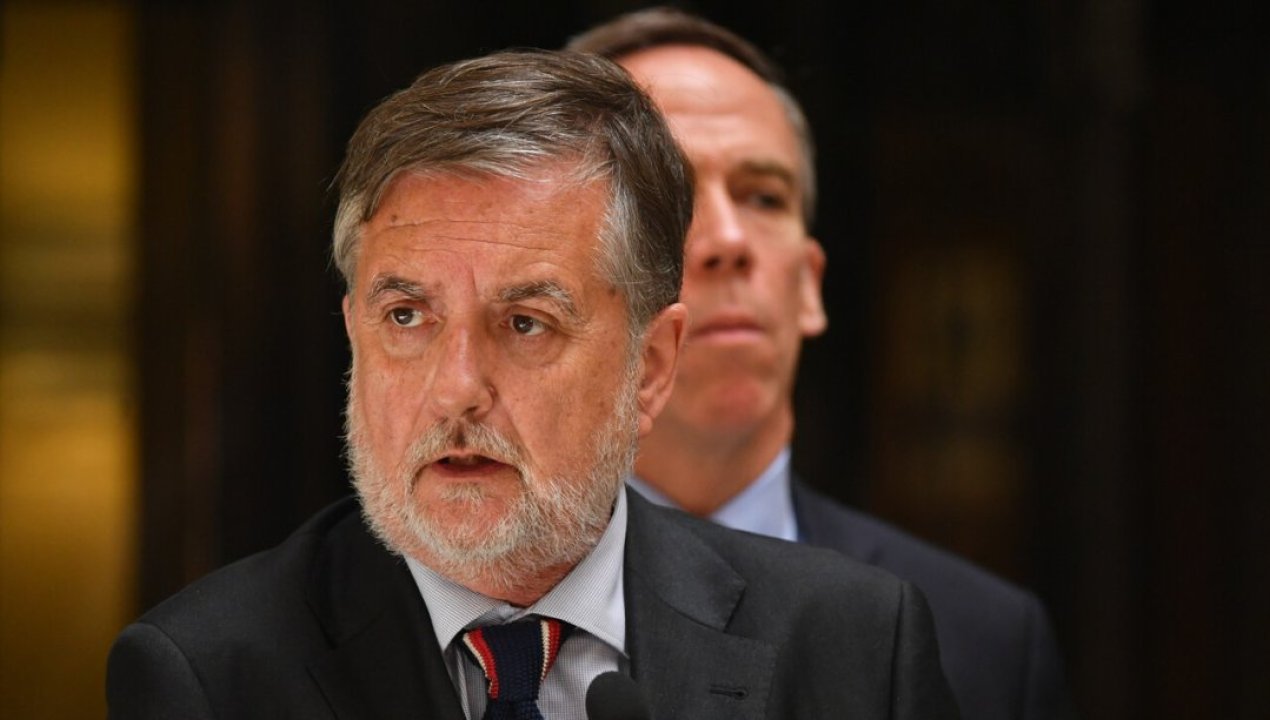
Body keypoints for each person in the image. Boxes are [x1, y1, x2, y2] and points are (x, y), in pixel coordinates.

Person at [105, 50, 957, 719]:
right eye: (406, 316)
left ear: (651, 368)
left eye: (524, 324)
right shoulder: (209, 675)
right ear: (354, 333)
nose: (456, 390)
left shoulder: (852, 647)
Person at [568, 9, 1076, 720]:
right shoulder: (465, 611)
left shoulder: (984, 640)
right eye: (667, 199)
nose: (728, 240)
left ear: (808, 283)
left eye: (764, 196)